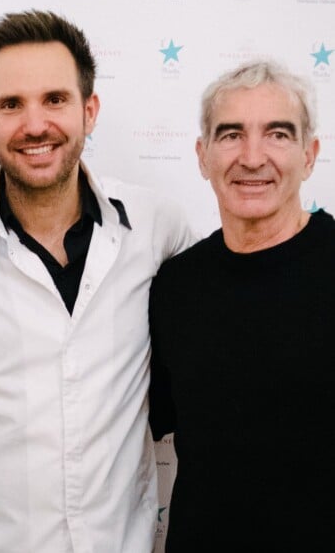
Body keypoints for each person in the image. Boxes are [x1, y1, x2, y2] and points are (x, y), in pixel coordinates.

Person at [0, 10, 194, 552]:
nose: (34, 125)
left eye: (55, 99)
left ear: (89, 110)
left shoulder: (158, 227)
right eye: (11, 104)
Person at [149, 60, 335, 551]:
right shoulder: (174, 286)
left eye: (277, 134)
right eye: (231, 135)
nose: (252, 157)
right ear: (203, 155)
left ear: (309, 155)